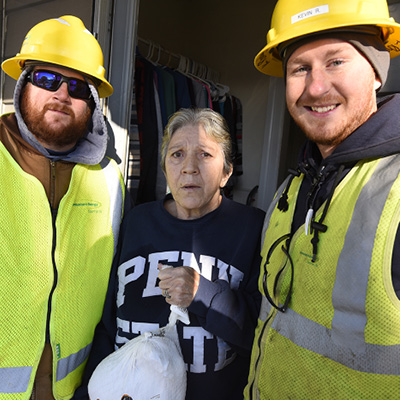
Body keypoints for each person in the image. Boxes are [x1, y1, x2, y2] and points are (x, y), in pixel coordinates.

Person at [245, 0, 400, 398]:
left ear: (377, 71)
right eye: (300, 68)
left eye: (335, 62)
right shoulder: (289, 191)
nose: (315, 87)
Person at [79, 108, 266, 399]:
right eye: (177, 154)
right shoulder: (136, 221)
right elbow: (106, 322)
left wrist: (202, 294)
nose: (189, 167)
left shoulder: (252, 228)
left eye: (205, 154)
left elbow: (263, 336)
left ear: (227, 172)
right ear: (165, 168)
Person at [0, 15, 126, 399]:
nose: (61, 94)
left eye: (76, 86)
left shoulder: (110, 180)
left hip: (72, 391)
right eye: (47, 79)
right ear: (22, 84)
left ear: (92, 103)